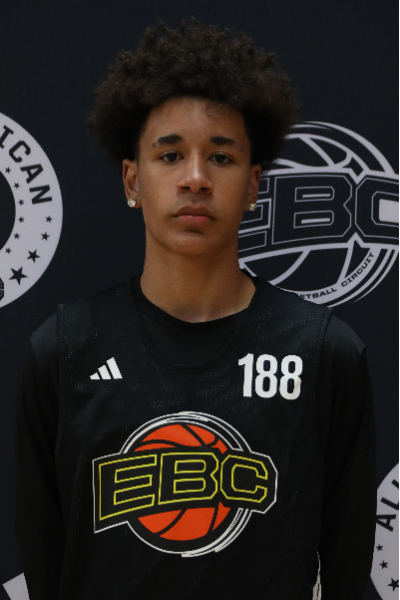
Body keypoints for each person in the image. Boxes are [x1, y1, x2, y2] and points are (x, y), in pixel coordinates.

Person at [15, 20, 376, 600]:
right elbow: (44, 566)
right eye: (170, 155)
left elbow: (347, 573)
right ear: (132, 179)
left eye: (221, 157)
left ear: (254, 185)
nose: (196, 179)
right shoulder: (63, 350)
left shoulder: (324, 353)